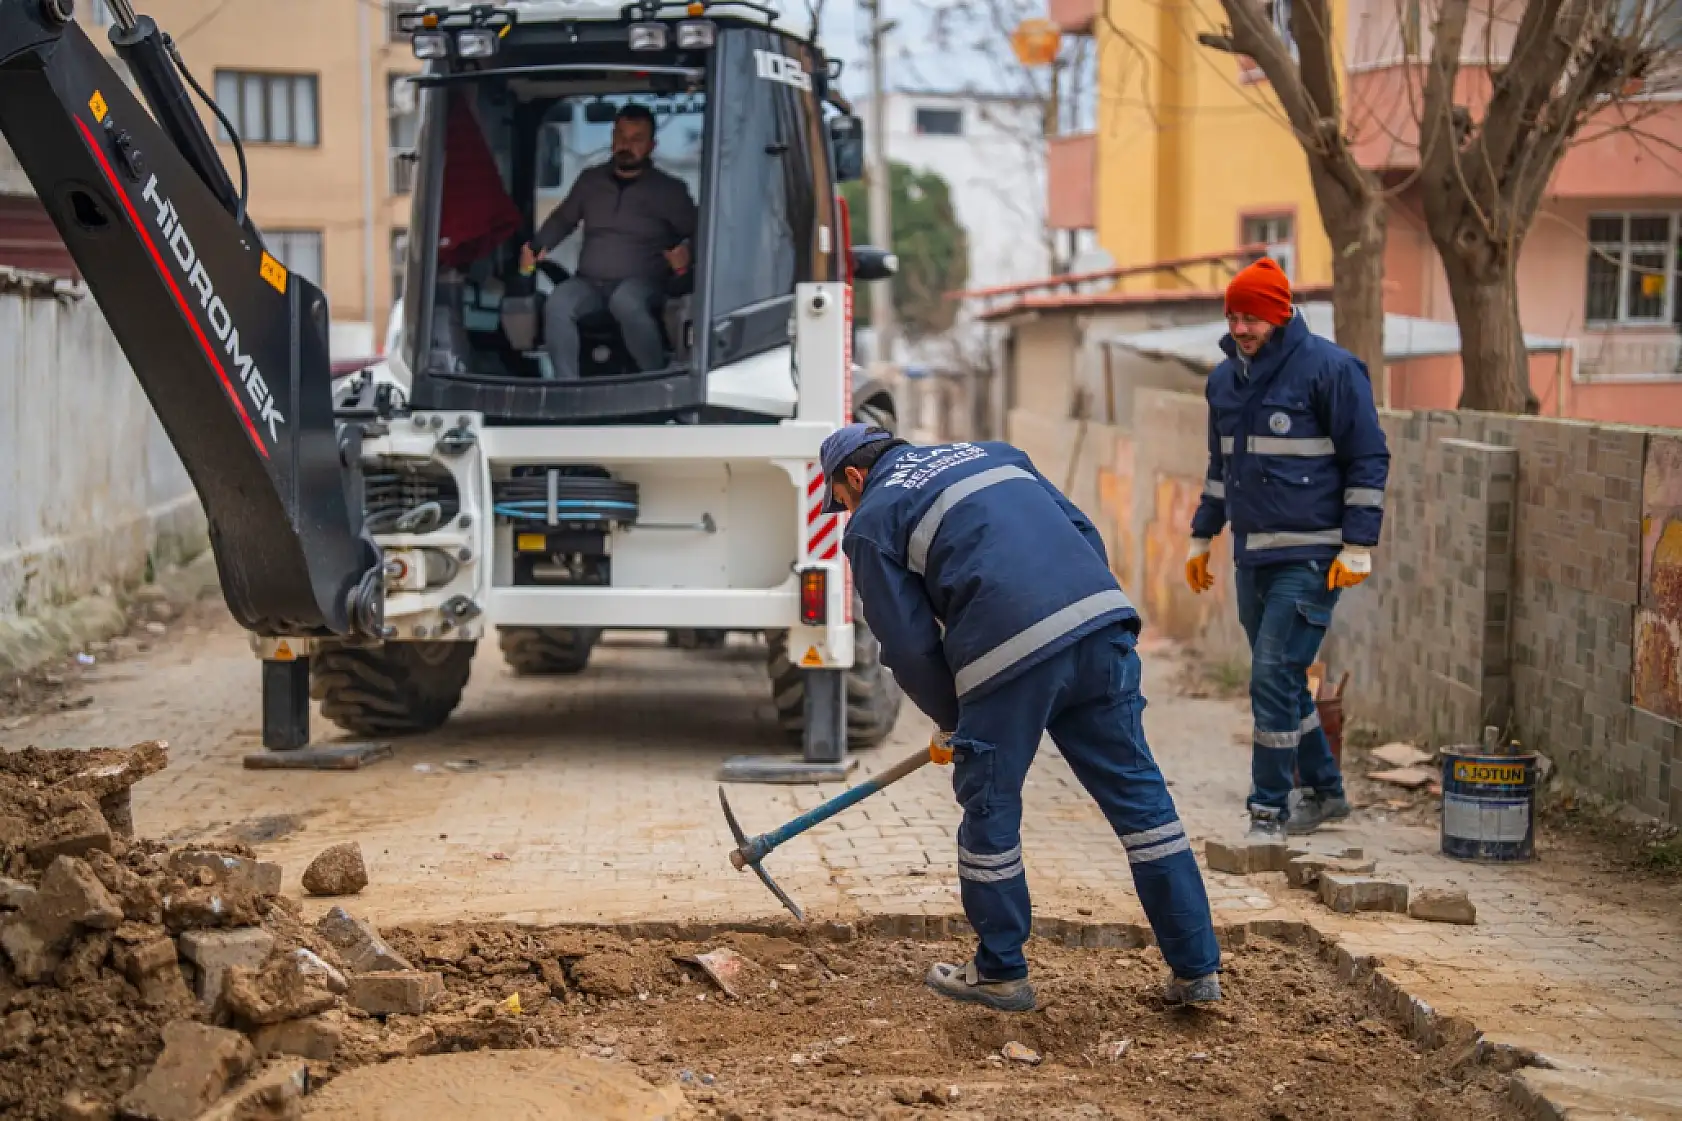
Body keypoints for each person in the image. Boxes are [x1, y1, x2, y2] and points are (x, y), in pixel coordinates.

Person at [822, 424, 1223, 1013]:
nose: (845, 509)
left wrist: (953, 716)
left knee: (990, 808)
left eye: (841, 498)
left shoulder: (873, 517)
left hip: (1007, 655)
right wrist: (1080, 619)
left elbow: (906, 646)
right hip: (1100, 624)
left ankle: (1000, 972)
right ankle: (1196, 969)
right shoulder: (994, 454)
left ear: (854, 478)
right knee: (1143, 805)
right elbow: (1082, 530)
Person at [1184, 258, 1390, 839]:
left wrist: (1358, 544)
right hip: (1253, 556)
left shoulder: (1331, 370)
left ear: (1279, 314)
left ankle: (1267, 810)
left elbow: (1368, 458)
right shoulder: (1225, 380)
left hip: (1313, 556)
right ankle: (1326, 793)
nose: (1242, 327)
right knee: (1283, 678)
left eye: (1252, 316)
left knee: (1271, 673)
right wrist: (1203, 534)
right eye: (1233, 316)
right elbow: (1221, 469)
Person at [520, 104, 697, 380]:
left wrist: (684, 260)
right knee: (558, 303)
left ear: (651, 145)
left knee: (625, 301)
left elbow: (698, 233)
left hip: (644, 284)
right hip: (589, 282)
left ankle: (656, 379)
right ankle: (567, 389)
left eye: (636, 139)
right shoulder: (591, 181)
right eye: (621, 136)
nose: (626, 145)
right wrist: (536, 248)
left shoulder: (669, 190)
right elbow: (563, 220)